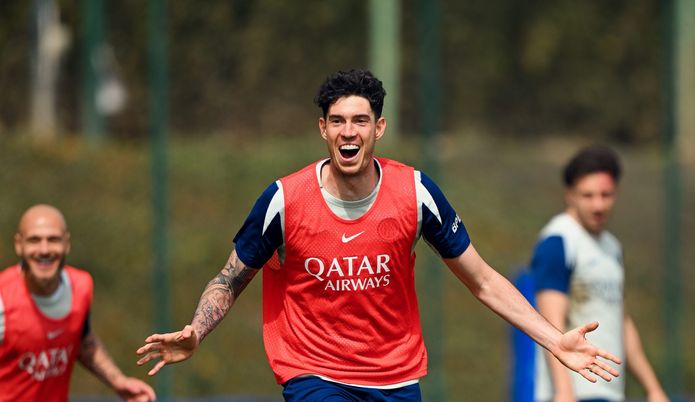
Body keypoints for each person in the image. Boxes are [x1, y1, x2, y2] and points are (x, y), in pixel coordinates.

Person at [137, 69, 621, 401]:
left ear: (379, 127)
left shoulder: (415, 194)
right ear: (323, 128)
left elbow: (483, 280)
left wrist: (554, 341)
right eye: (338, 121)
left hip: (395, 376)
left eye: (360, 121)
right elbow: (229, 278)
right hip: (314, 372)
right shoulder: (285, 200)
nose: (349, 132)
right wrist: (197, 329)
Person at [529, 146, 668, 402]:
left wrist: (653, 389)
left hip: (608, 391)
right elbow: (550, 321)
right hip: (574, 392)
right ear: (570, 195)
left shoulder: (612, 247)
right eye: (588, 195)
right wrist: (564, 391)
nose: (598, 205)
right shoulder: (559, 241)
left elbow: (621, 321)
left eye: (606, 195)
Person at [0, 204, 156, 402]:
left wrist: (119, 381)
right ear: (19, 245)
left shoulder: (81, 287)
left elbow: (82, 339)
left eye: (53, 239)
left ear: (67, 243)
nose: (44, 250)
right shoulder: (3, 298)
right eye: (34, 240)